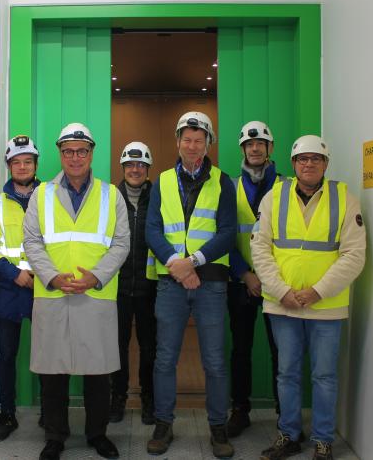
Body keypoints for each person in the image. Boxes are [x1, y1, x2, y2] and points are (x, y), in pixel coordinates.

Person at [252, 135, 366, 460]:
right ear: (293, 164)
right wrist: (282, 291)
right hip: (282, 304)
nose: (309, 164)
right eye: (303, 159)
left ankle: (323, 441)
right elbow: (260, 249)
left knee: (324, 375)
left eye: (316, 159)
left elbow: (354, 255)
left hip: (326, 307)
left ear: (326, 164)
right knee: (286, 373)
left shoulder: (344, 198)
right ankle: (288, 435)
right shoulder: (274, 196)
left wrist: (318, 291)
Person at [23, 123, 130, 460]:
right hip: (53, 294)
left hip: (94, 294)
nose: (74, 157)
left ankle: (97, 434)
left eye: (81, 151)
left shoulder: (111, 195)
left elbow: (121, 243)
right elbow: (32, 241)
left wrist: (95, 276)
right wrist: (52, 277)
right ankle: (55, 436)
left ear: (91, 154)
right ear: (60, 154)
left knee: (97, 372)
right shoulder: (41, 195)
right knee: (53, 372)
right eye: (68, 151)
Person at [145, 111, 236, 459]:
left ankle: (217, 427)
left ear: (208, 143)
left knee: (214, 361)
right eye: (187, 139)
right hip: (170, 282)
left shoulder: (223, 182)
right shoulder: (164, 181)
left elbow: (227, 233)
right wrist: (176, 265)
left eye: (199, 140)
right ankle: (164, 424)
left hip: (211, 282)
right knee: (165, 358)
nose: (192, 145)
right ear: (178, 141)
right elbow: (153, 230)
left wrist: (193, 263)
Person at [0, 135, 41, 442]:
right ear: (9, 166)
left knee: (48, 354)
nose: (22, 166)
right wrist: (14, 273)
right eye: (16, 162)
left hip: (44, 289)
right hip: (8, 289)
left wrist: (39, 273)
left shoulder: (51, 198)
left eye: (27, 161)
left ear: (35, 164)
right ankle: (7, 415)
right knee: (6, 355)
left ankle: (51, 415)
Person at [226, 121, 281, 438]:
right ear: (243, 149)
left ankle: (283, 413)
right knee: (240, 350)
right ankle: (240, 410)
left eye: (261, 143)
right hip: (241, 282)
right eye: (249, 144)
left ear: (270, 148)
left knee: (281, 352)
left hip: (277, 284)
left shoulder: (286, 186)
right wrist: (245, 273)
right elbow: (225, 237)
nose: (255, 148)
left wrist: (268, 277)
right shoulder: (230, 188)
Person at [109, 142, 157, 426]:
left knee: (150, 347)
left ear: (148, 168)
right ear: (123, 168)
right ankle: (118, 398)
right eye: (130, 165)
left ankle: (149, 399)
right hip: (117, 287)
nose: (135, 170)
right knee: (117, 345)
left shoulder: (159, 197)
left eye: (140, 165)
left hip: (150, 287)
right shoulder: (110, 198)